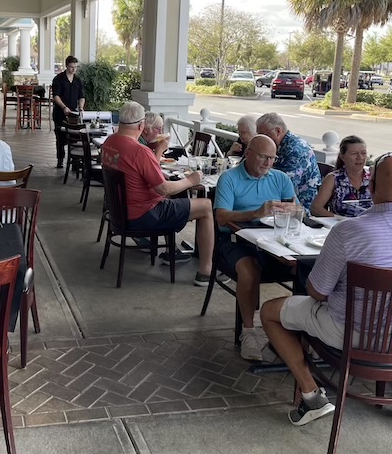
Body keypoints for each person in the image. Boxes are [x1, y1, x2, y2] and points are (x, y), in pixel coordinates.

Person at [259, 152, 392, 426]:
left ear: (371, 188)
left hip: (353, 336)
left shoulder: (348, 232)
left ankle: (311, 395)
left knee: (270, 311)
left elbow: (317, 292)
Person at [101, 101, 214, 285]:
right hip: (143, 215)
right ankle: (206, 271)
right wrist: (192, 180)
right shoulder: (140, 151)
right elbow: (163, 188)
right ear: (141, 125)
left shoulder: (109, 142)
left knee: (176, 196)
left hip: (118, 213)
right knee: (206, 206)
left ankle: (175, 251)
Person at [213, 134, 297, 361]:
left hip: (272, 241)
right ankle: (248, 332)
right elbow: (221, 217)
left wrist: (293, 212)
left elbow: (298, 210)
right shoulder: (229, 179)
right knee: (249, 270)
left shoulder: (280, 179)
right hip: (234, 240)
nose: (268, 163)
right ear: (248, 153)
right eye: (263, 157)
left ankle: (299, 335)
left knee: (307, 269)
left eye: (272, 158)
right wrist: (256, 213)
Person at [256, 113, 321, 211]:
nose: (261, 139)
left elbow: (281, 187)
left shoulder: (295, 150)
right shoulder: (281, 144)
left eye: (264, 135)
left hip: (299, 208)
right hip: (280, 202)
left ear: (278, 131)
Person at [311, 136, 371, 217]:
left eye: (363, 153)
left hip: (370, 226)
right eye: (354, 154)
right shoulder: (333, 179)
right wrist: (339, 219)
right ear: (342, 157)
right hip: (343, 226)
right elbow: (316, 208)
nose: (360, 157)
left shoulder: (373, 177)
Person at [52, 56, 85, 168]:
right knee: (60, 137)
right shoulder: (58, 79)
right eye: (71, 67)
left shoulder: (78, 80)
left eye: (75, 67)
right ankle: (60, 159)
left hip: (73, 114)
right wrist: (63, 107)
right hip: (60, 112)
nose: (73, 69)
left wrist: (80, 107)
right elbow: (56, 96)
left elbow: (81, 96)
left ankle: (75, 161)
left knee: (74, 136)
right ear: (66, 66)